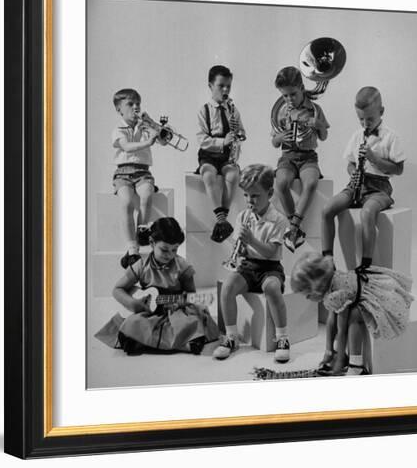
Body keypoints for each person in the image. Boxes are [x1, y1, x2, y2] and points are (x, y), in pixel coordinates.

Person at [321, 86, 405, 270]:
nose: (365, 124)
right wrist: (353, 172)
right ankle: (327, 259)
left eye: (370, 119)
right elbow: (349, 163)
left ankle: (365, 264)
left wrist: (374, 158)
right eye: (361, 119)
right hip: (357, 184)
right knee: (327, 208)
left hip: (379, 187)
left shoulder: (391, 137)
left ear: (381, 112)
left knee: (367, 213)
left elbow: (399, 169)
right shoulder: (357, 136)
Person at [290, 252, 414, 375]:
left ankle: (356, 364)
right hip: (368, 288)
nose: (307, 299)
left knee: (354, 316)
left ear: (316, 285)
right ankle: (344, 358)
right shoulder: (333, 282)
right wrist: (329, 350)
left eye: (308, 295)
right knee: (349, 313)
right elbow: (331, 321)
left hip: (379, 295)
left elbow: (341, 330)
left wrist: (339, 361)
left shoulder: (334, 296)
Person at [214, 164, 290, 362]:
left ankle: (282, 338)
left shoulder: (279, 220)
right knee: (228, 287)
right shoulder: (243, 216)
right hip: (248, 265)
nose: (249, 201)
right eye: (246, 196)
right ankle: (231, 337)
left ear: (270, 193)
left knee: (272, 288)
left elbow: (271, 251)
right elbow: (243, 250)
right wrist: (238, 248)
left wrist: (252, 241)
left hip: (270, 268)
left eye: (255, 196)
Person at [112, 217, 219, 355]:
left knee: (191, 323)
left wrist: (180, 303)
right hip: (150, 314)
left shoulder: (182, 266)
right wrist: (133, 303)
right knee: (129, 327)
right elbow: (117, 289)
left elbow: (192, 296)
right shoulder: (141, 265)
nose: (170, 255)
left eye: (174, 250)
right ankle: (179, 345)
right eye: (164, 250)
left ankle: (149, 343)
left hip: (177, 313)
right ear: (152, 243)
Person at [271, 66, 330, 252]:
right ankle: (294, 226)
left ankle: (293, 227)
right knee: (280, 184)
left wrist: (318, 124)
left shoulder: (315, 109)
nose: (289, 99)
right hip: (287, 157)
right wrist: (280, 138)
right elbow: (274, 142)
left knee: (311, 182)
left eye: (293, 94)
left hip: (308, 157)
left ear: (302, 88)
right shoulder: (280, 111)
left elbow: (323, 136)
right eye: (285, 96)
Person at [196, 65, 247, 243]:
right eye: (221, 86)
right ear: (210, 86)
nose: (225, 90)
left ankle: (223, 219)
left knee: (233, 175)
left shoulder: (232, 109)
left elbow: (242, 132)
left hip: (227, 155)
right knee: (208, 175)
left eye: (228, 86)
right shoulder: (204, 110)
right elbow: (201, 139)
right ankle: (221, 219)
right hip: (209, 153)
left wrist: (238, 135)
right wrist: (221, 142)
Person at [111, 88, 158, 268]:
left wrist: (153, 124)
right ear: (119, 110)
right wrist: (148, 141)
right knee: (127, 203)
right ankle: (131, 249)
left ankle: (142, 230)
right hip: (123, 173)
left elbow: (162, 139)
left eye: (138, 103)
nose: (135, 107)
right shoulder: (118, 129)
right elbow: (127, 147)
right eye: (130, 104)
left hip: (143, 172)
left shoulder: (145, 127)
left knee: (147, 195)